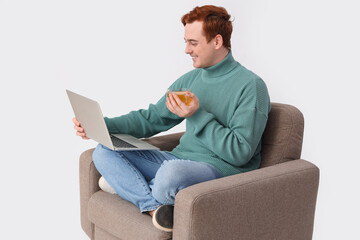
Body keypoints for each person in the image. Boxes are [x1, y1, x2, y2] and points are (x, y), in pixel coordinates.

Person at [73, 5, 270, 232]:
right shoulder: (190, 80)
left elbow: (240, 152)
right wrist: (103, 125)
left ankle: (127, 186)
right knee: (104, 151)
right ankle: (153, 208)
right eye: (185, 42)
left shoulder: (251, 86)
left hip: (219, 169)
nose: (187, 50)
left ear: (217, 42)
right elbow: (151, 119)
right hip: (175, 160)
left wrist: (197, 114)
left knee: (171, 173)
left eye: (193, 43)